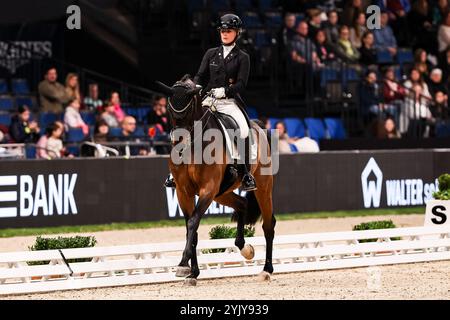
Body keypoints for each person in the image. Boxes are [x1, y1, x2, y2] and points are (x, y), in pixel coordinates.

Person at [165, 14, 256, 191]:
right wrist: (195, 86)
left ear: (237, 33)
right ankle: (174, 172)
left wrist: (226, 91)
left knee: (243, 129)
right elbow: (200, 76)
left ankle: (246, 174)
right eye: (222, 31)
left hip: (229, 102)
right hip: (208, 99)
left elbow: (242, 84)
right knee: (187, 124)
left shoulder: (242, 57)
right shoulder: (211, 53)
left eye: (228, 31)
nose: (225, 34)